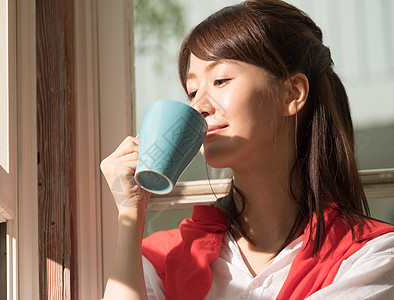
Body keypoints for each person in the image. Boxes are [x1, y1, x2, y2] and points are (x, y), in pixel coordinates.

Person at [101, 0, 394, 299]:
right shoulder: (164, 257)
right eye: (192, 91)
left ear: (292, 94)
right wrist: (130, 212)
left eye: (221, 80)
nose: (198, 106)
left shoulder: (370, 256)